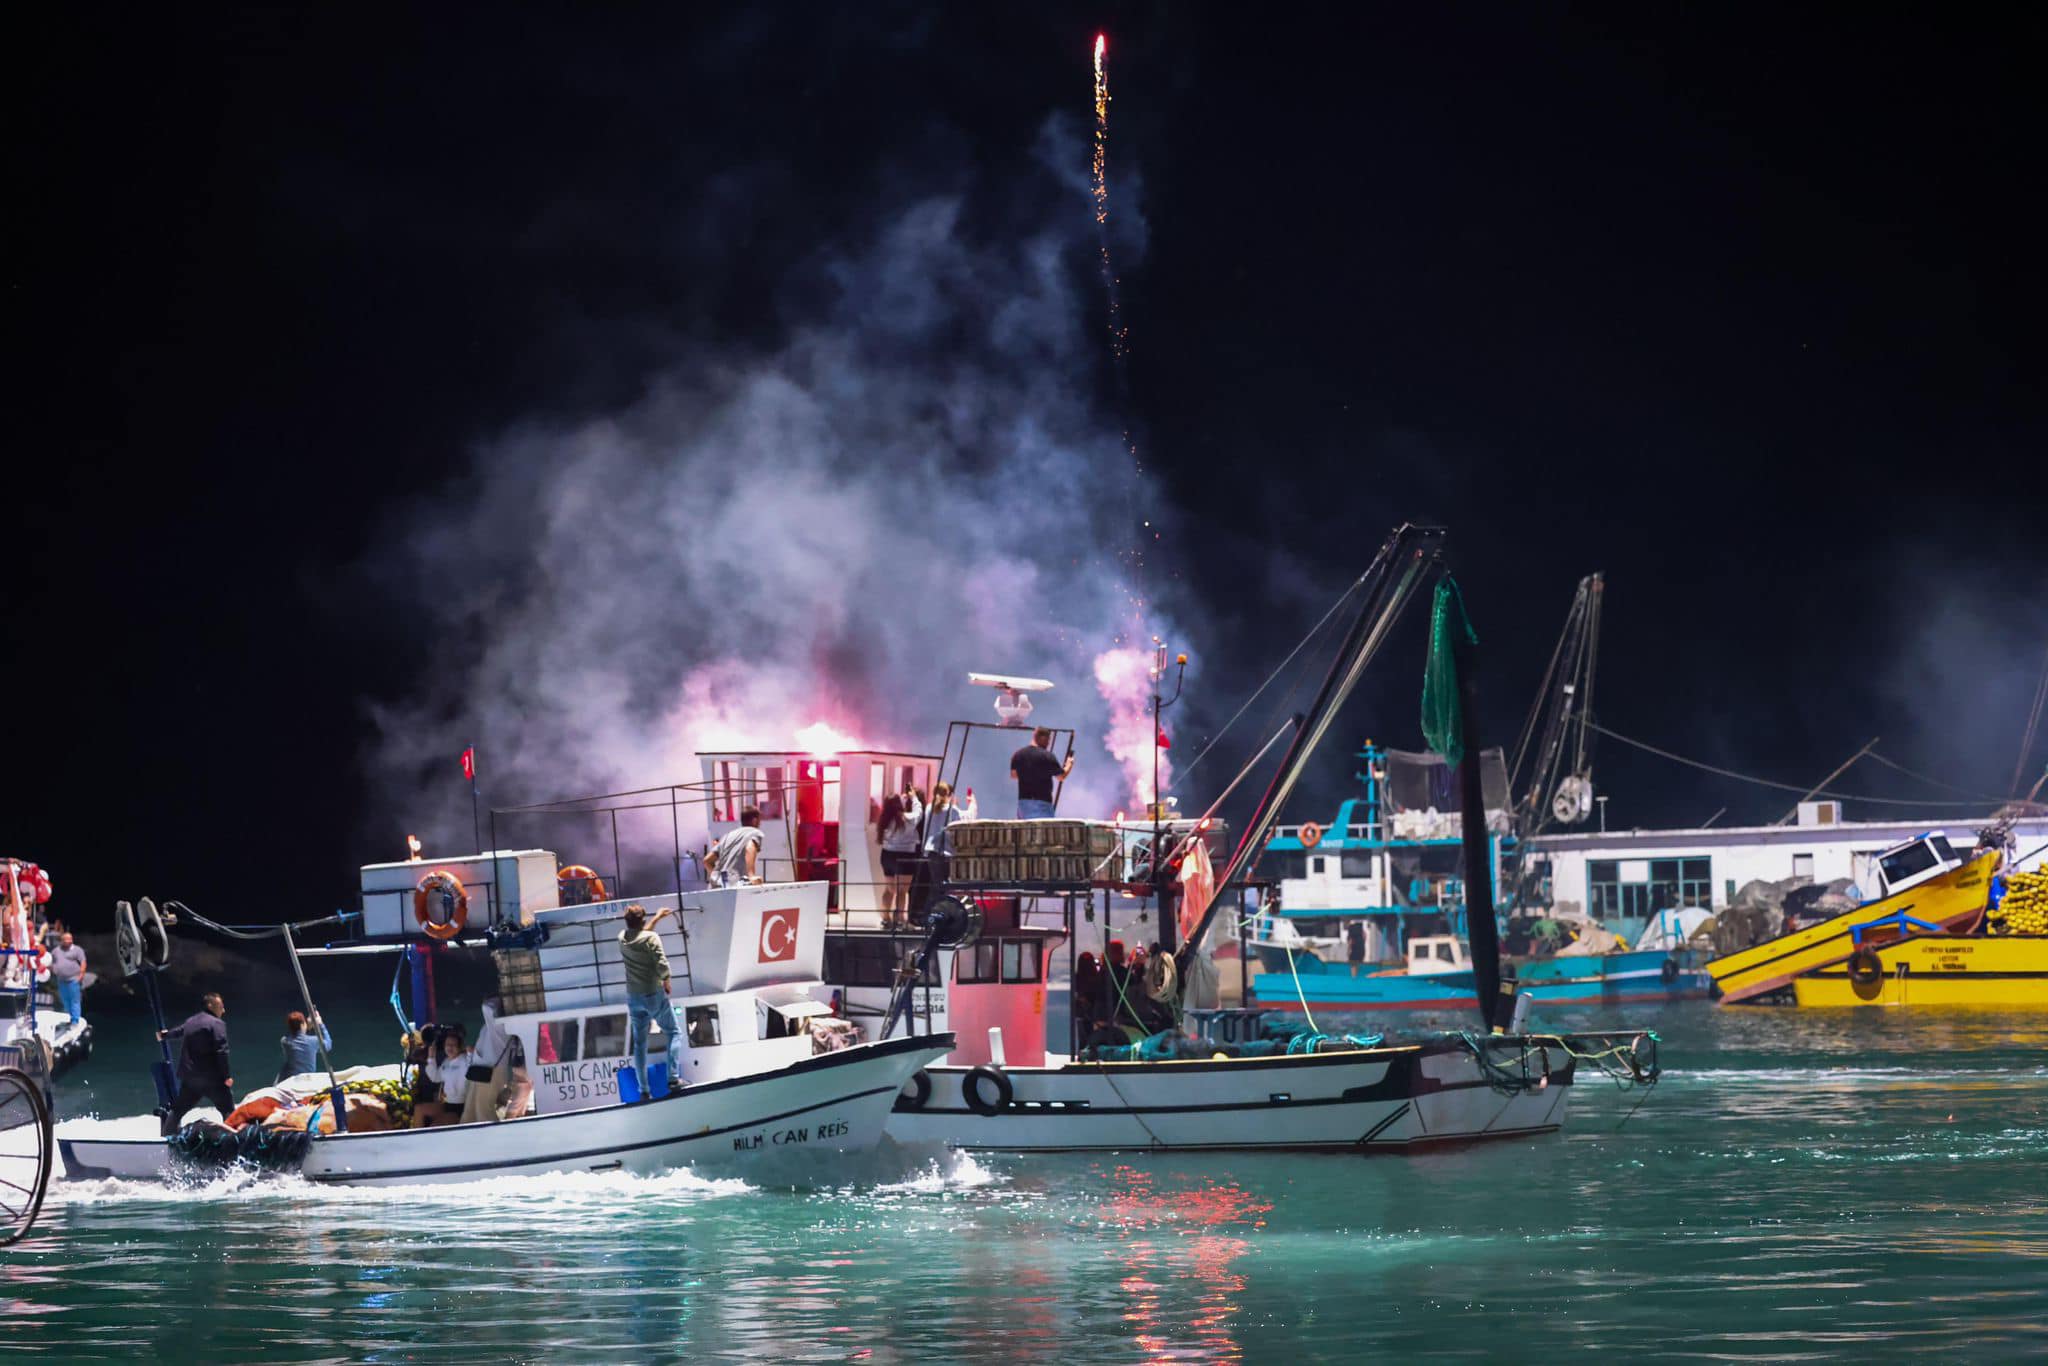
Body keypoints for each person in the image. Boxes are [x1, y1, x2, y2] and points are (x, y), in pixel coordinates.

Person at [619, 903, 683, 1101]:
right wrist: (667, 982)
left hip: (633, 997)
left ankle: (643, 1090)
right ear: (643, 920)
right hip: (652, 994)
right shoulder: (652, 938)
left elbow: (640, 936)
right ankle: (672, 1079)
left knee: (640, 1044)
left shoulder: (622, 938)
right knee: (673, 1032)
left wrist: (656, 919)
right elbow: (661, 963)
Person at [159, 993, 233, 1126]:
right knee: (228, 1111)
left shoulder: (191, 1021)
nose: (223, 1010)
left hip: (190, 1078)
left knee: (177, 1110)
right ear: (210, 1005)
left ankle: (166, 1138)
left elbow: (178, 1032)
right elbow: (222, 1051)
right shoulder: (217, 1023)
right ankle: (233, 1142)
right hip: (212, 1079)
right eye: (221, 1006)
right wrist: (226, 1076)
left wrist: (164, 1035)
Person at [877, 788, 922, 927]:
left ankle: (885, 918)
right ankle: (899, 919)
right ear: (899, 805)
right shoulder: (907, 819)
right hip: (904, 856)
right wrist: (914, 798)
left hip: (887, 855)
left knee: (889, 890)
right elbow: (918, 813)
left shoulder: (884, 821)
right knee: (902, 891)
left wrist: (903, 797)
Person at [1010, 727, 1073, 819]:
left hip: (1023, 803)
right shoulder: (1047, 756)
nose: (1048, 743)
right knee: (1044, 831)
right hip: (1042, 803)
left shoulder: (1018, 754)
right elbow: (1061, 776)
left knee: (1025, 830)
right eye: (1048, 740)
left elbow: (1014, 775)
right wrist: (1069, 764)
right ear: (1042, 738)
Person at [706, 806, 765, 888]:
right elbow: (750, 847)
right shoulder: (755, 832)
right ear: (755, 821)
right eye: (759, 820)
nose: (760, 823)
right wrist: (751, 876)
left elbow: (707, 861)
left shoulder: (727, 836)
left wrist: (718, 880)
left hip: (715, 890)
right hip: (735, 889)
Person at [276, 1009, 331, 1082]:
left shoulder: (285, 1041)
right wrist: (320, 1024)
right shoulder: (313, 1041)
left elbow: (299, 1039)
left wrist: (307, 1025)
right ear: (302, 1025)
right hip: (307, 1081)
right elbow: (328, 1045)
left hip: (288, 1080)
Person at [48, 931, 87, 1025]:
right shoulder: (56, 950)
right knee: (65, 1000)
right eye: (65, 939)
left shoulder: (77, 950)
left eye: (69, 939)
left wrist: (81, 975)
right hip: (61, 980)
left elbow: (83, 961)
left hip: (73, 979)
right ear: (61, 941)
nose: (68, 941)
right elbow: (49, 960)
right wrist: (51, 968)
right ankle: (69, 1018)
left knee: (74, 1000)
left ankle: (75, 1020)